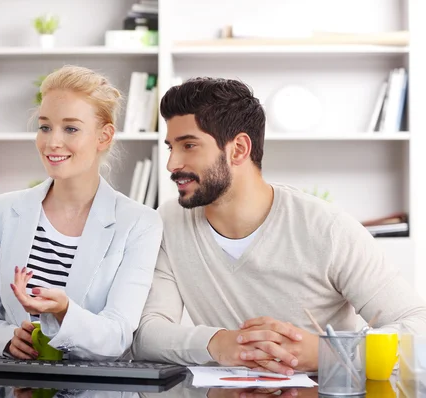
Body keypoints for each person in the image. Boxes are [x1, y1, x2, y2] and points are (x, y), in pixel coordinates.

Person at [132, 77, 426, 374]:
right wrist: (219, 343)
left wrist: (329, 353)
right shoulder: (169, 222)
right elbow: (147, 332)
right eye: (171, 147)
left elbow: (418, 325)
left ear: (238, 149)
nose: (172, 164)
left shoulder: (328, 228)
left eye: (189, 145)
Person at [0, 65, 163, 361]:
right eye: (45, 126)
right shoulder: (3, 210)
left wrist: (64, 312)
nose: (52, 142)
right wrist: (8, 339)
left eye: (71, 128)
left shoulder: (139, 223)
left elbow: (118, 336)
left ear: (104, 136)